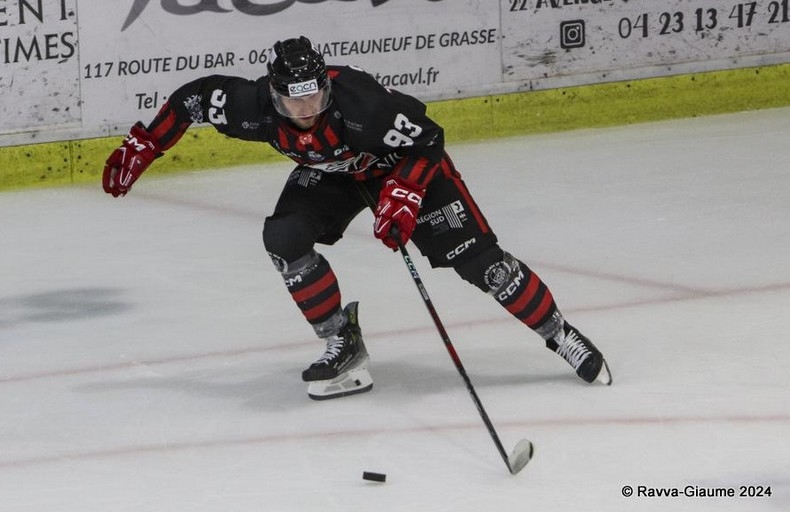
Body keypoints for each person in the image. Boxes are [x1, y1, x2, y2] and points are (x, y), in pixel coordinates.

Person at [102, 36, 612, 400]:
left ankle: (558, 331)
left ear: (326, 86)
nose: (305, 108)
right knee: (283, 236)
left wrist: (405, 192)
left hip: (405, 165)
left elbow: (428, 140)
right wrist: (147, 142)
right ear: (273, 95)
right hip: (335, 174)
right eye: (292, 99)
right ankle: (340, 341)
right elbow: (192, 98)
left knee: (481, 263)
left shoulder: (364, 105)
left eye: (313, 96)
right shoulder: (251, 106)